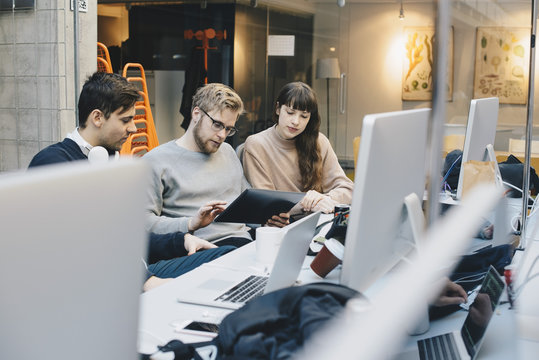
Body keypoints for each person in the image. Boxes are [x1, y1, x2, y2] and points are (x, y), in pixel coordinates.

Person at [28, 72, 234, 291]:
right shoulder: (53, 163)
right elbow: (81, 244)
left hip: (135, 271)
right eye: (126, 120)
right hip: (100, 283)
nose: (134, 128)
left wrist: (181, 241)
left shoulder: (109, 161)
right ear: (97, 118)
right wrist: (145, 281)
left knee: (228, 256)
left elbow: (125, 237)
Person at [144, 83, 256, 247]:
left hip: (243, 242)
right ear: (196, 114)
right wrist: (189, 223)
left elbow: (245, 203)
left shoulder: (227, 152)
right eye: (217, 125)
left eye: (229, 129)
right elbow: (142, 223)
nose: (222, 135)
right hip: (200, 249)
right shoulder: (156, 161)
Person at [242, 82, 354, 218]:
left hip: (318, 220)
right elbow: (267, 203)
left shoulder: (320, 141)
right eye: (290, 112)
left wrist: (325, 199)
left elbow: (348, 189)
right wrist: (309, 203)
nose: (296, 121)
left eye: (304, 116)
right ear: (278, 109)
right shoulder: (257, 144)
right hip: (280, 227)